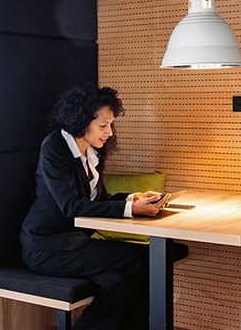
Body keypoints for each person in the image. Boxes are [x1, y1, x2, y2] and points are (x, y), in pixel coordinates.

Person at [21, 84, 166, 329]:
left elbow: (97, 201)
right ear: (81, 121)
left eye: (111, 124)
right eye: (103, 125)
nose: (110, 132)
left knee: (117, 281)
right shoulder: (54, 147)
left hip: (76, 243)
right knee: (146, 259)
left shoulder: (90, 152)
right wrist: (131, 210)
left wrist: (133, 198)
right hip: (47, 247)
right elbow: (71, 206)